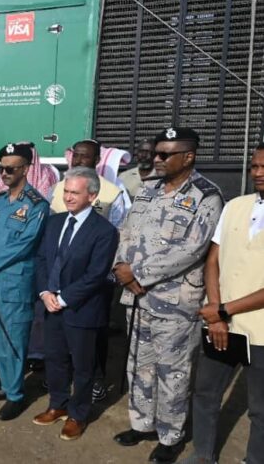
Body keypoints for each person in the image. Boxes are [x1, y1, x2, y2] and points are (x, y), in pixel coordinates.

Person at [111, 127, 223, 463]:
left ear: (188, 157)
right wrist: (119, 267)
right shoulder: (148, 190)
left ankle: (171, 435)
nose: (156, 159)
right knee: (138, 365)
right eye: (156, 152)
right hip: (137, 298)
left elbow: (192, 249)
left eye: (164, 154)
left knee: (172, 372)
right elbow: (126, 231)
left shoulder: (206, 196)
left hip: (174, 304)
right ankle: (142, 424)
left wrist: (138, 273)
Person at [186, 145, 264, 464]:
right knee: (206, 392)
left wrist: (223, 310)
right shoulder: (235, 206)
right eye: (254, 166)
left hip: (260, 331)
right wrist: (217, 314)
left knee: (260, 408)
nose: (258, 172)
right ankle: (203, 454)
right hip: (221, 325)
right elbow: (212, 261)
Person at [32, 167, 118, 440]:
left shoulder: (104, 231)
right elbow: (42, 260)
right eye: (66, 191)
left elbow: (96, 274)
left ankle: (78, 414)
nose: (68, 197)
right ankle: (57, 404)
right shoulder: (54, 223)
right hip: (51, 305)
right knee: (54, 359)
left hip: (82, 310)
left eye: (75, 193)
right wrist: (45, 293)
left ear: (92, 196)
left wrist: (63, 298)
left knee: (83, 366)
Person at [0, 143, 49, 419]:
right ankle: (8, 385)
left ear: (26, 169)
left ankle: (16, 396)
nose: (4, 173)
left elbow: (24, 245)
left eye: (10, 169)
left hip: (15, 283)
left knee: (14, 340)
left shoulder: (36, 205)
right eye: (1, 169)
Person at [50, 140, 130, 228]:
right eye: (75, 156)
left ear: (97, 160)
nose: (78, 161)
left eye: (84, 157)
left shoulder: (112, 193)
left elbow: (116, 228)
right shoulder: (55, 188)